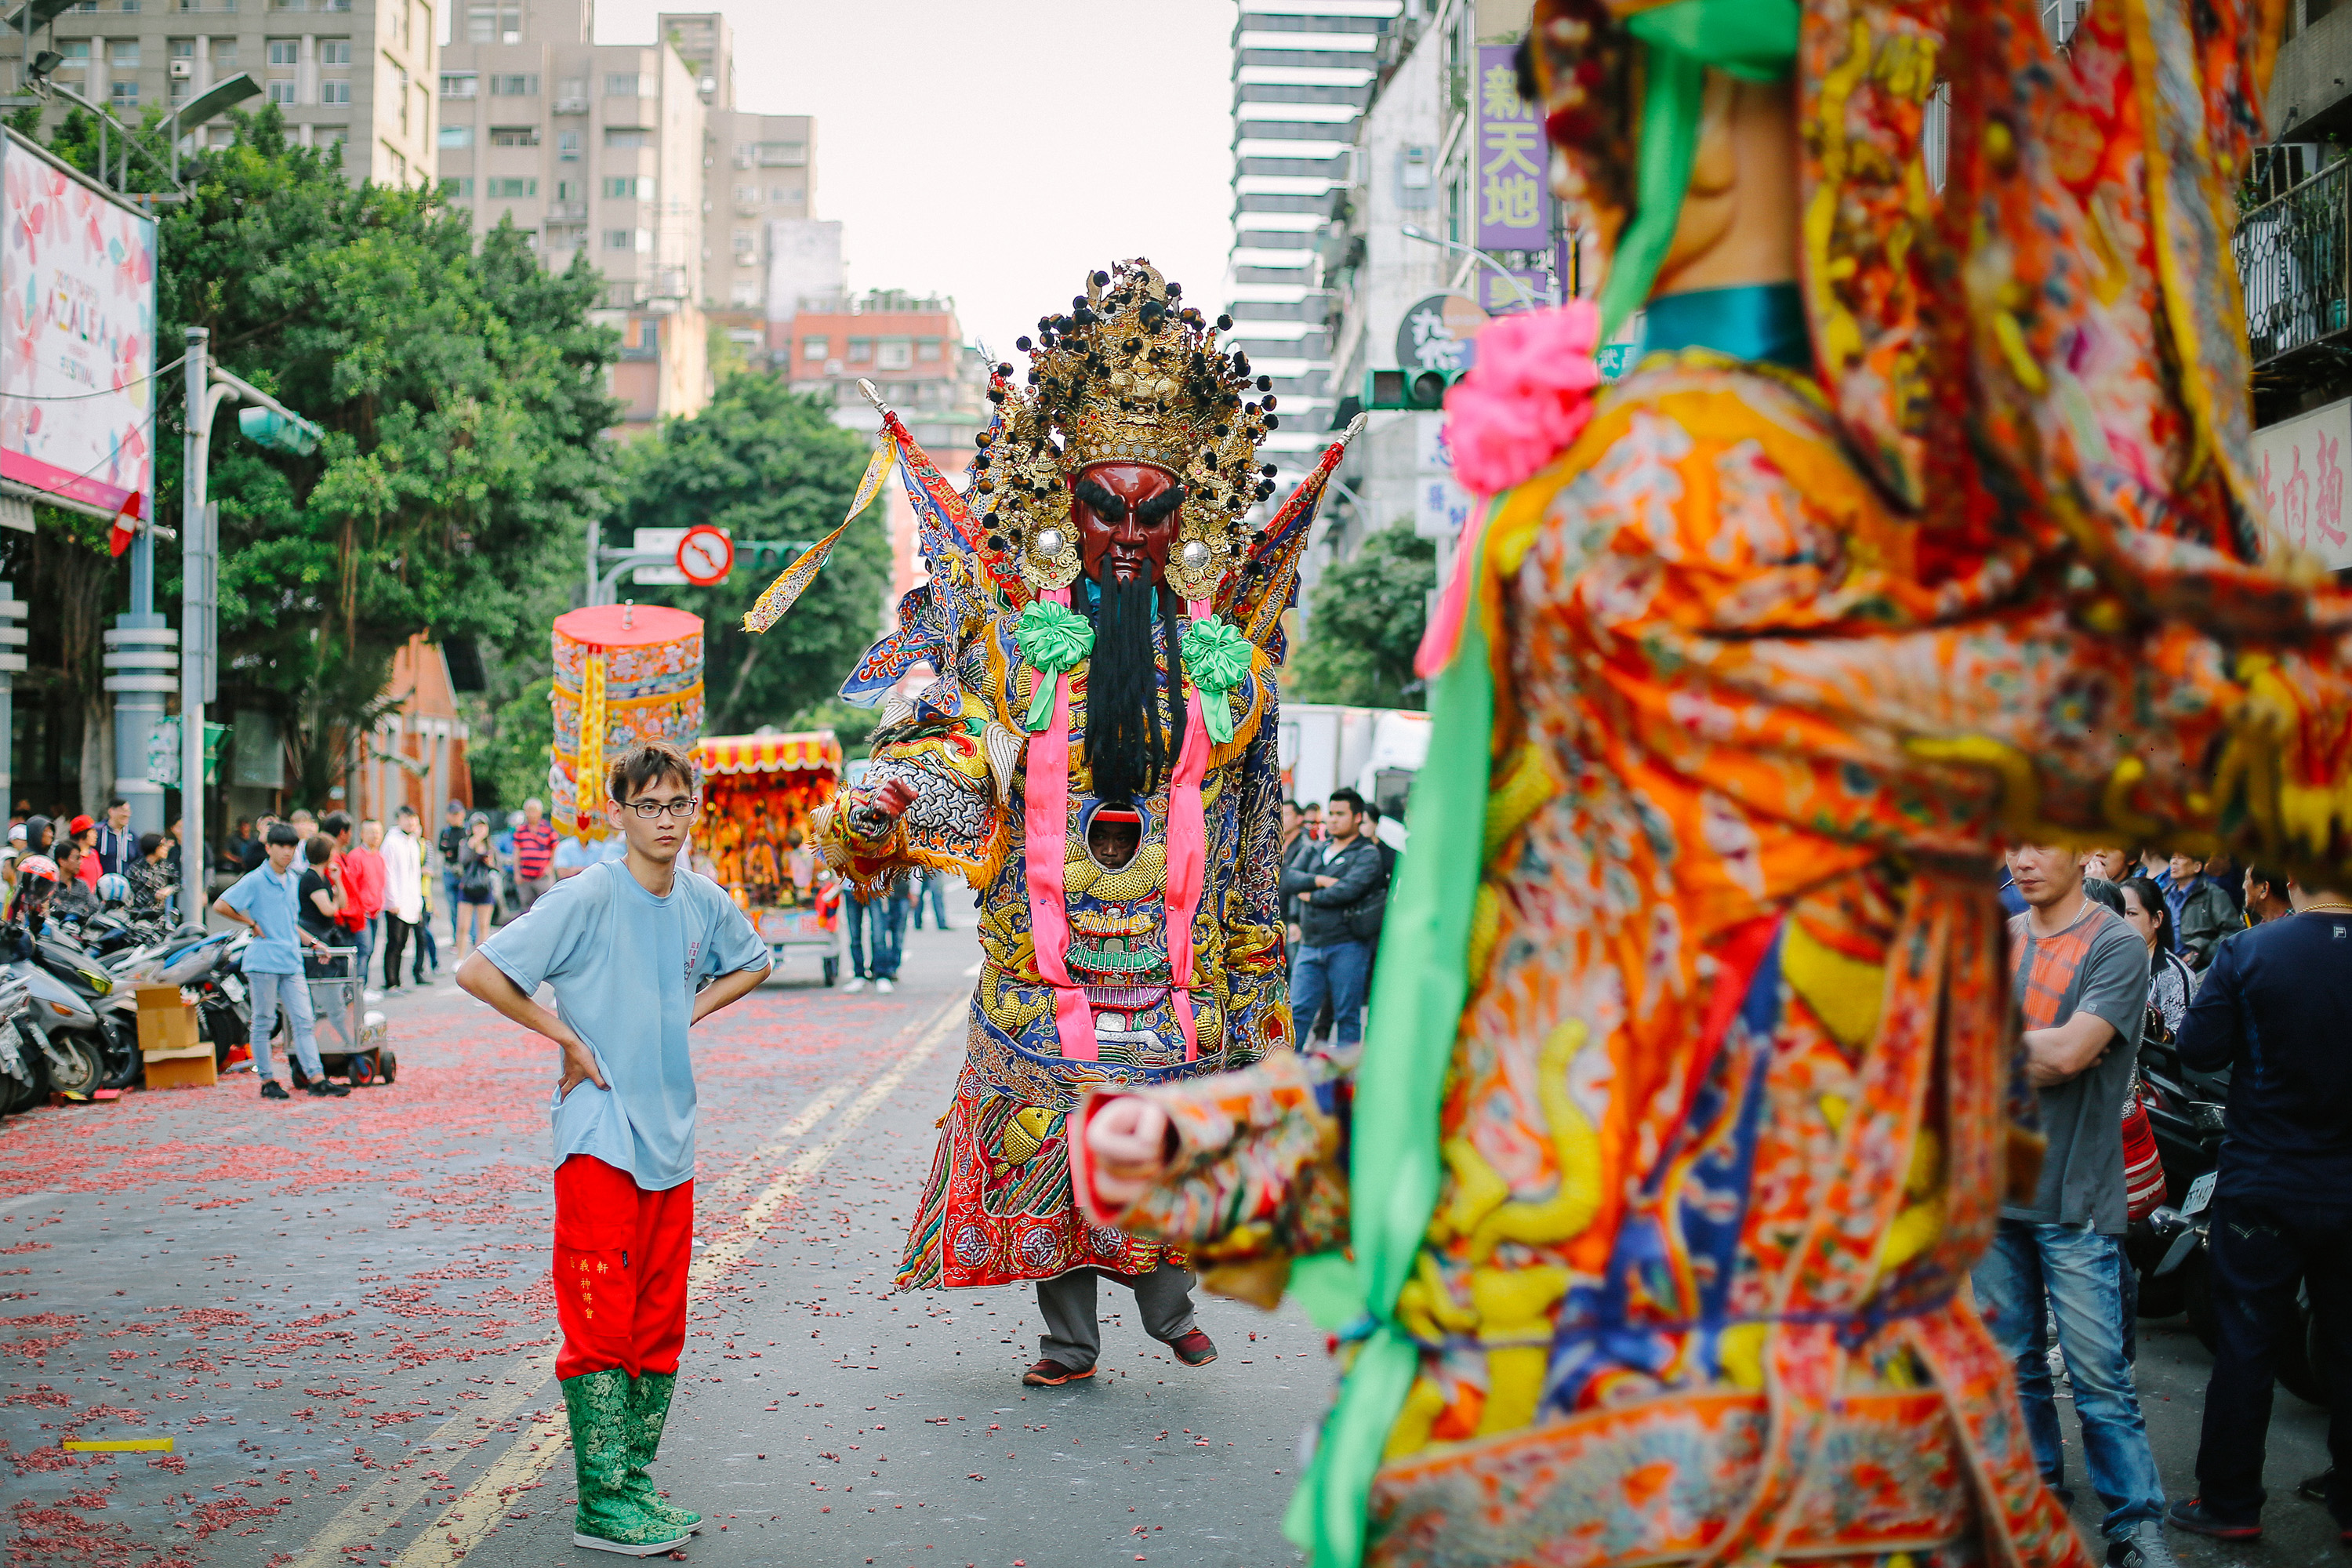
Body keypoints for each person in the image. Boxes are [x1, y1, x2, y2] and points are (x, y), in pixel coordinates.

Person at [1067, 8, 2352, 1565]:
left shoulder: (1886, 510)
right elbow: (1516, 1086)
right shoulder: (1684, 528)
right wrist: (1234, 1155)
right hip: (1661, 1437)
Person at [777, 258, 1306, 1391]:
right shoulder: (1020, 658)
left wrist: (1259, 970)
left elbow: (1259, 827)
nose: (1127, 530)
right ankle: (1069, 1339)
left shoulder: (1230, 670)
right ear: (1066, 509)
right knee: (1048, 1149)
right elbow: (957, 760)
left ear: (1189, 515)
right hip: (1043, 964)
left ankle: (1167, 1303)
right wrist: (887, 804)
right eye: (1103, 505)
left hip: (1175, 968)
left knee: (1156, 1144)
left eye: (1152, 509)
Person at [457, 740, 769, 1556]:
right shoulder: (589, 893)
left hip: (674, 1135)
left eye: (678, 803)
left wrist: (686, 1014)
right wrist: (564, 1035)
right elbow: (479, 970)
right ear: (618, 812)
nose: (666, 820)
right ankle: (600, 1500)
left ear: (693, 806)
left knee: (659, 1321)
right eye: (649, 805)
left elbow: (755, 961)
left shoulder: (701, 900)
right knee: (601, 1319)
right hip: (599, 1134)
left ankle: (634, 1480)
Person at [2165, 880, 2352, 1544]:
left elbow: (2197, 1050)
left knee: (2247, 1342)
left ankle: (2231, 1501)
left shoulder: (2251, 951)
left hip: (2267, 1179)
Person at [214, 822, 348, 1102]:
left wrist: (312, 942)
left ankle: (317, 1079)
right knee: (264, 1021)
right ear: (269, 848)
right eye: (282, 846)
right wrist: (250, 922)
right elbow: (221, 904)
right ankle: (268, 1080)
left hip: (290, 959)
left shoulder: (292, 880)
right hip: (264, 960)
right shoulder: (256, 879)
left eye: (292, 847)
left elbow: (289, 922)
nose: (287, 852)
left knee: (304, 1020)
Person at [1280, 788, 1385, 1051]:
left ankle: (1344, 1082)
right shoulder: (1316, 849)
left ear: (1358, 817)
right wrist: (1319, 881)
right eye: (1331, 813)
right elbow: (1286, 877)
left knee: (1347, 1015)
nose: (1333, 819)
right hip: (1310, 944)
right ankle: (1289, 1075)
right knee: (1298, 1013)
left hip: (1347, 945)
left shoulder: (1367, 854)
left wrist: (1310, 896)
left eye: (1341, 814)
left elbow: (1348, 891)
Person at [2118, 877, 2199, 1044]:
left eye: (2131, 913)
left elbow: (2184, 1038)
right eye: (2118, 912)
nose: (2121, 920)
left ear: (2156, 920)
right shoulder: (2108, 961)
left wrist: (2159, 1032)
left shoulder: (2174, 974)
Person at [2156, 851, 2234, 970]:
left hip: (2200, 969)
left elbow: (2233, 932)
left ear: (2197, 867)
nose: (2174, 862)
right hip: (2165, 967)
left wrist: (2201, 954)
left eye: (2181, 858)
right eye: (2173, 857)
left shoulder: (2214, 895)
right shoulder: (2163, 895)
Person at [379, 806, 425, 992]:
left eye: (414, 818)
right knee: (394, 942)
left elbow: (416, 874)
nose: (411, 822)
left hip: (411, 901)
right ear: (399, 819)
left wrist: (418, 901)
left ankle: (398, 981)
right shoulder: (391, 842)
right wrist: (392, 901)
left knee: (404, 943)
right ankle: (391, 981)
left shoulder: (413, 841)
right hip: (396, 903)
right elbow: (387, 873)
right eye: (407, 818)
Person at [840, 878, 905, 996]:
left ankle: (881, 974)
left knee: (878, 935)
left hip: (876, 887)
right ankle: (859, 974)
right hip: (851, 886)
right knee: (854, 935)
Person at [349, 820, 390, 1001]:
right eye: (371, 832)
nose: (375, 836)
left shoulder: (379, 856)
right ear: (362, 834)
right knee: (364, 950)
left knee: (371, 950)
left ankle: (363, 986)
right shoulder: (356, 856)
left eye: (378, 832)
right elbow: (351, 887)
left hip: (376, 912)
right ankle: (358, 989)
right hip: (362, 913)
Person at [455, 812, 496, 956]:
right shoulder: (466, 843)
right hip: (468, 887)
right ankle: (460, 958)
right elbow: (463, 861)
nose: (479, 829)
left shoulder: (490, 846)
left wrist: (492, 863)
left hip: (485, 888)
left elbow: (499, 867)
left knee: (484, 926)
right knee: (463, 926)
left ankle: (478, 958)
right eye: (476, 826)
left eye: (482, 826)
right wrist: (474, 843)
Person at [512, 798, 557, 913]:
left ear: (540, 812)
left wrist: (550, 867)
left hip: (543, 877)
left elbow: (555, 848)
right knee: (526, 909)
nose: (532, 814)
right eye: (529, 810)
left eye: (534, 810)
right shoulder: (520, 830)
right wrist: (517, 873)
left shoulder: (547, 829)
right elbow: (516, 853)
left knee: (546, 907)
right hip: (525, 877)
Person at [438, 800, 467, 947]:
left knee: (466, 906)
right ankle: (457, 938)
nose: (455, 817)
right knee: (453, 908)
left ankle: (470, 937)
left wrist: (452, 848)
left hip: (464, 872)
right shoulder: (446, 831)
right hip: (449, 870)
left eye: (458, 814)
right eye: (452, 814)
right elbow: (443, 847)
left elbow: (460, 848)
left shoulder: (467, 830)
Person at [126, 831, 175, 919]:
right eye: (162, 845)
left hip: (161, 917)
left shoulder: (166, 867)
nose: (166, 848)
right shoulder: (136, 868)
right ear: (154, 847)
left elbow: (179, 883)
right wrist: (154, 896)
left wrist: (169, 889)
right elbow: (132, 894)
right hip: (138, 917)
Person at [50, 840, 97, 921]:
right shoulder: (51, 885)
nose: (80, 862)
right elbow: (51, 907)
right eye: (77, 858)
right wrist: (80, 909)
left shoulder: (82, 885)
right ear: (62, 861)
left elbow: (93, 908)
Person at [2241, 863, 2293, 927]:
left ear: (2264, 889)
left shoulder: (2291, 927)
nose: (2243, 886)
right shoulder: (2301, 922)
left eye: (2247, 879)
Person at [93, 797, 134, 878]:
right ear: (111, 811)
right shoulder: (97, 833)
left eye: (128, 811)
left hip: (127, 886)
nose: (126, 815)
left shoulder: (132, 837)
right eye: (123, 811)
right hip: (101, 885)